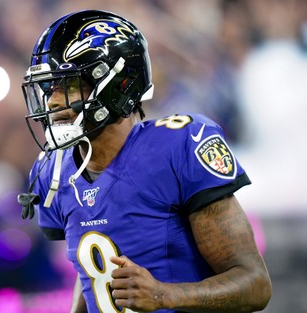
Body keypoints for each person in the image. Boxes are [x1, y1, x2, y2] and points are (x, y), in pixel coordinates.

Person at [18, 9, 271, 313]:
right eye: (49, 88)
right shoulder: (55, 169)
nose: (53, 101)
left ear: (119, 85)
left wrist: (166, 296)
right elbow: (92, 276)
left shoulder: (176, 147)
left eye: (69, 85)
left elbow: (255, 285)